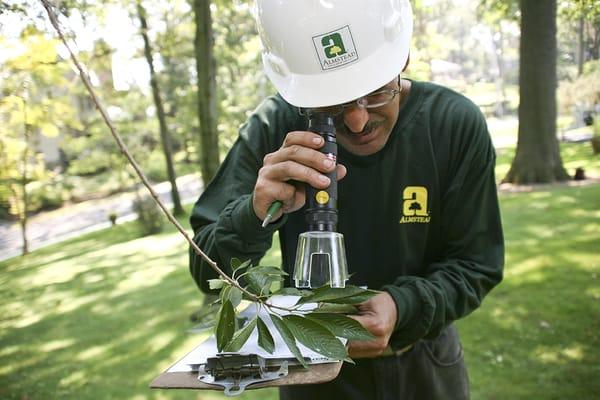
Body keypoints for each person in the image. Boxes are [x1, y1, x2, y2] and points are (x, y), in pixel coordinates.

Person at [188, 0, 504, 399]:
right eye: (331, 104)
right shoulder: (272, 129)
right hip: (315, 381)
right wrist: (252, 215)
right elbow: (207, 272)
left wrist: (403, 305)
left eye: (375, 94)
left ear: (402, 58)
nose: (357, 120)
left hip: (425, 369)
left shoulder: (452, 125)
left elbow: (477, 263)